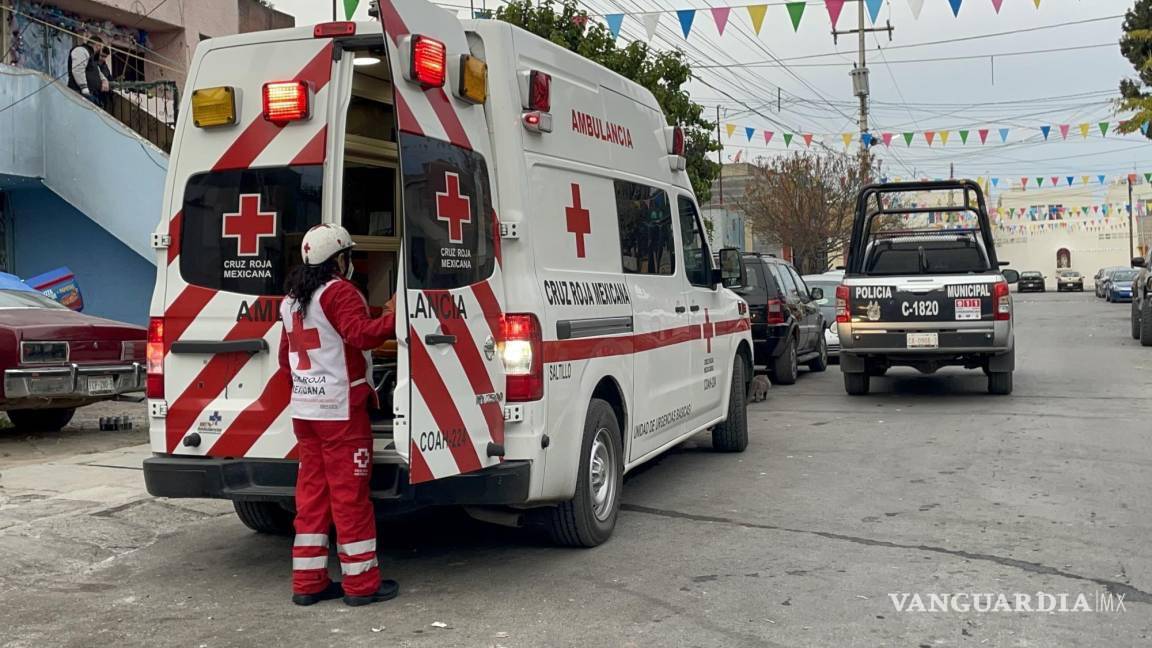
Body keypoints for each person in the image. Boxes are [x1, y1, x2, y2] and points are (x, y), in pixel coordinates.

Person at [279, 223, 400, 607]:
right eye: (349, 255)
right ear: (340, 259)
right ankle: (361, 585)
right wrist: (399, 315)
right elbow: (362, 335)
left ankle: (308, 582)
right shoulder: (340, 292)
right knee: (350, 499)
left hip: (306, 413)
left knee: (311, 497)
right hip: (341, 414)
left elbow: (285, 360)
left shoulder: (292, 301)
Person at [67, 35, 108, 106]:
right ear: (97, 46)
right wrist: (84, 88)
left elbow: (97, 71)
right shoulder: (81, 50)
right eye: (100, 48)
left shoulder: (91, 56)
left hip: (89, 94)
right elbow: (78, 69)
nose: (100, 51)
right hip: (80, 93)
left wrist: (104, 80)